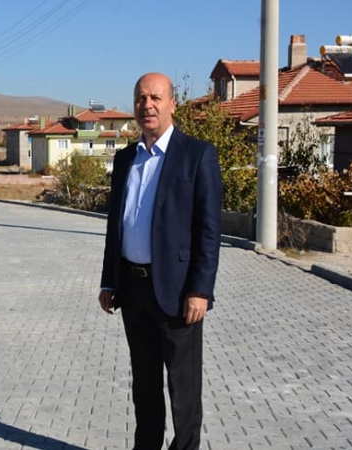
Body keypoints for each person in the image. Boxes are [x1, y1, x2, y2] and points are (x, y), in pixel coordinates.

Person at [98, 72, 222, 450]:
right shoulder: (126, 159)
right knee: (145, 384)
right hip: (133, 289)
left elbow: (208, 229)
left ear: (172, 104)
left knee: (183, 389)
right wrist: (109, 281)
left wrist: (200, 290)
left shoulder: (196, 155)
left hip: (177, 291)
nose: (147, 105)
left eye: (155, 98)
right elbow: (116, 225)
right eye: (141, 98)